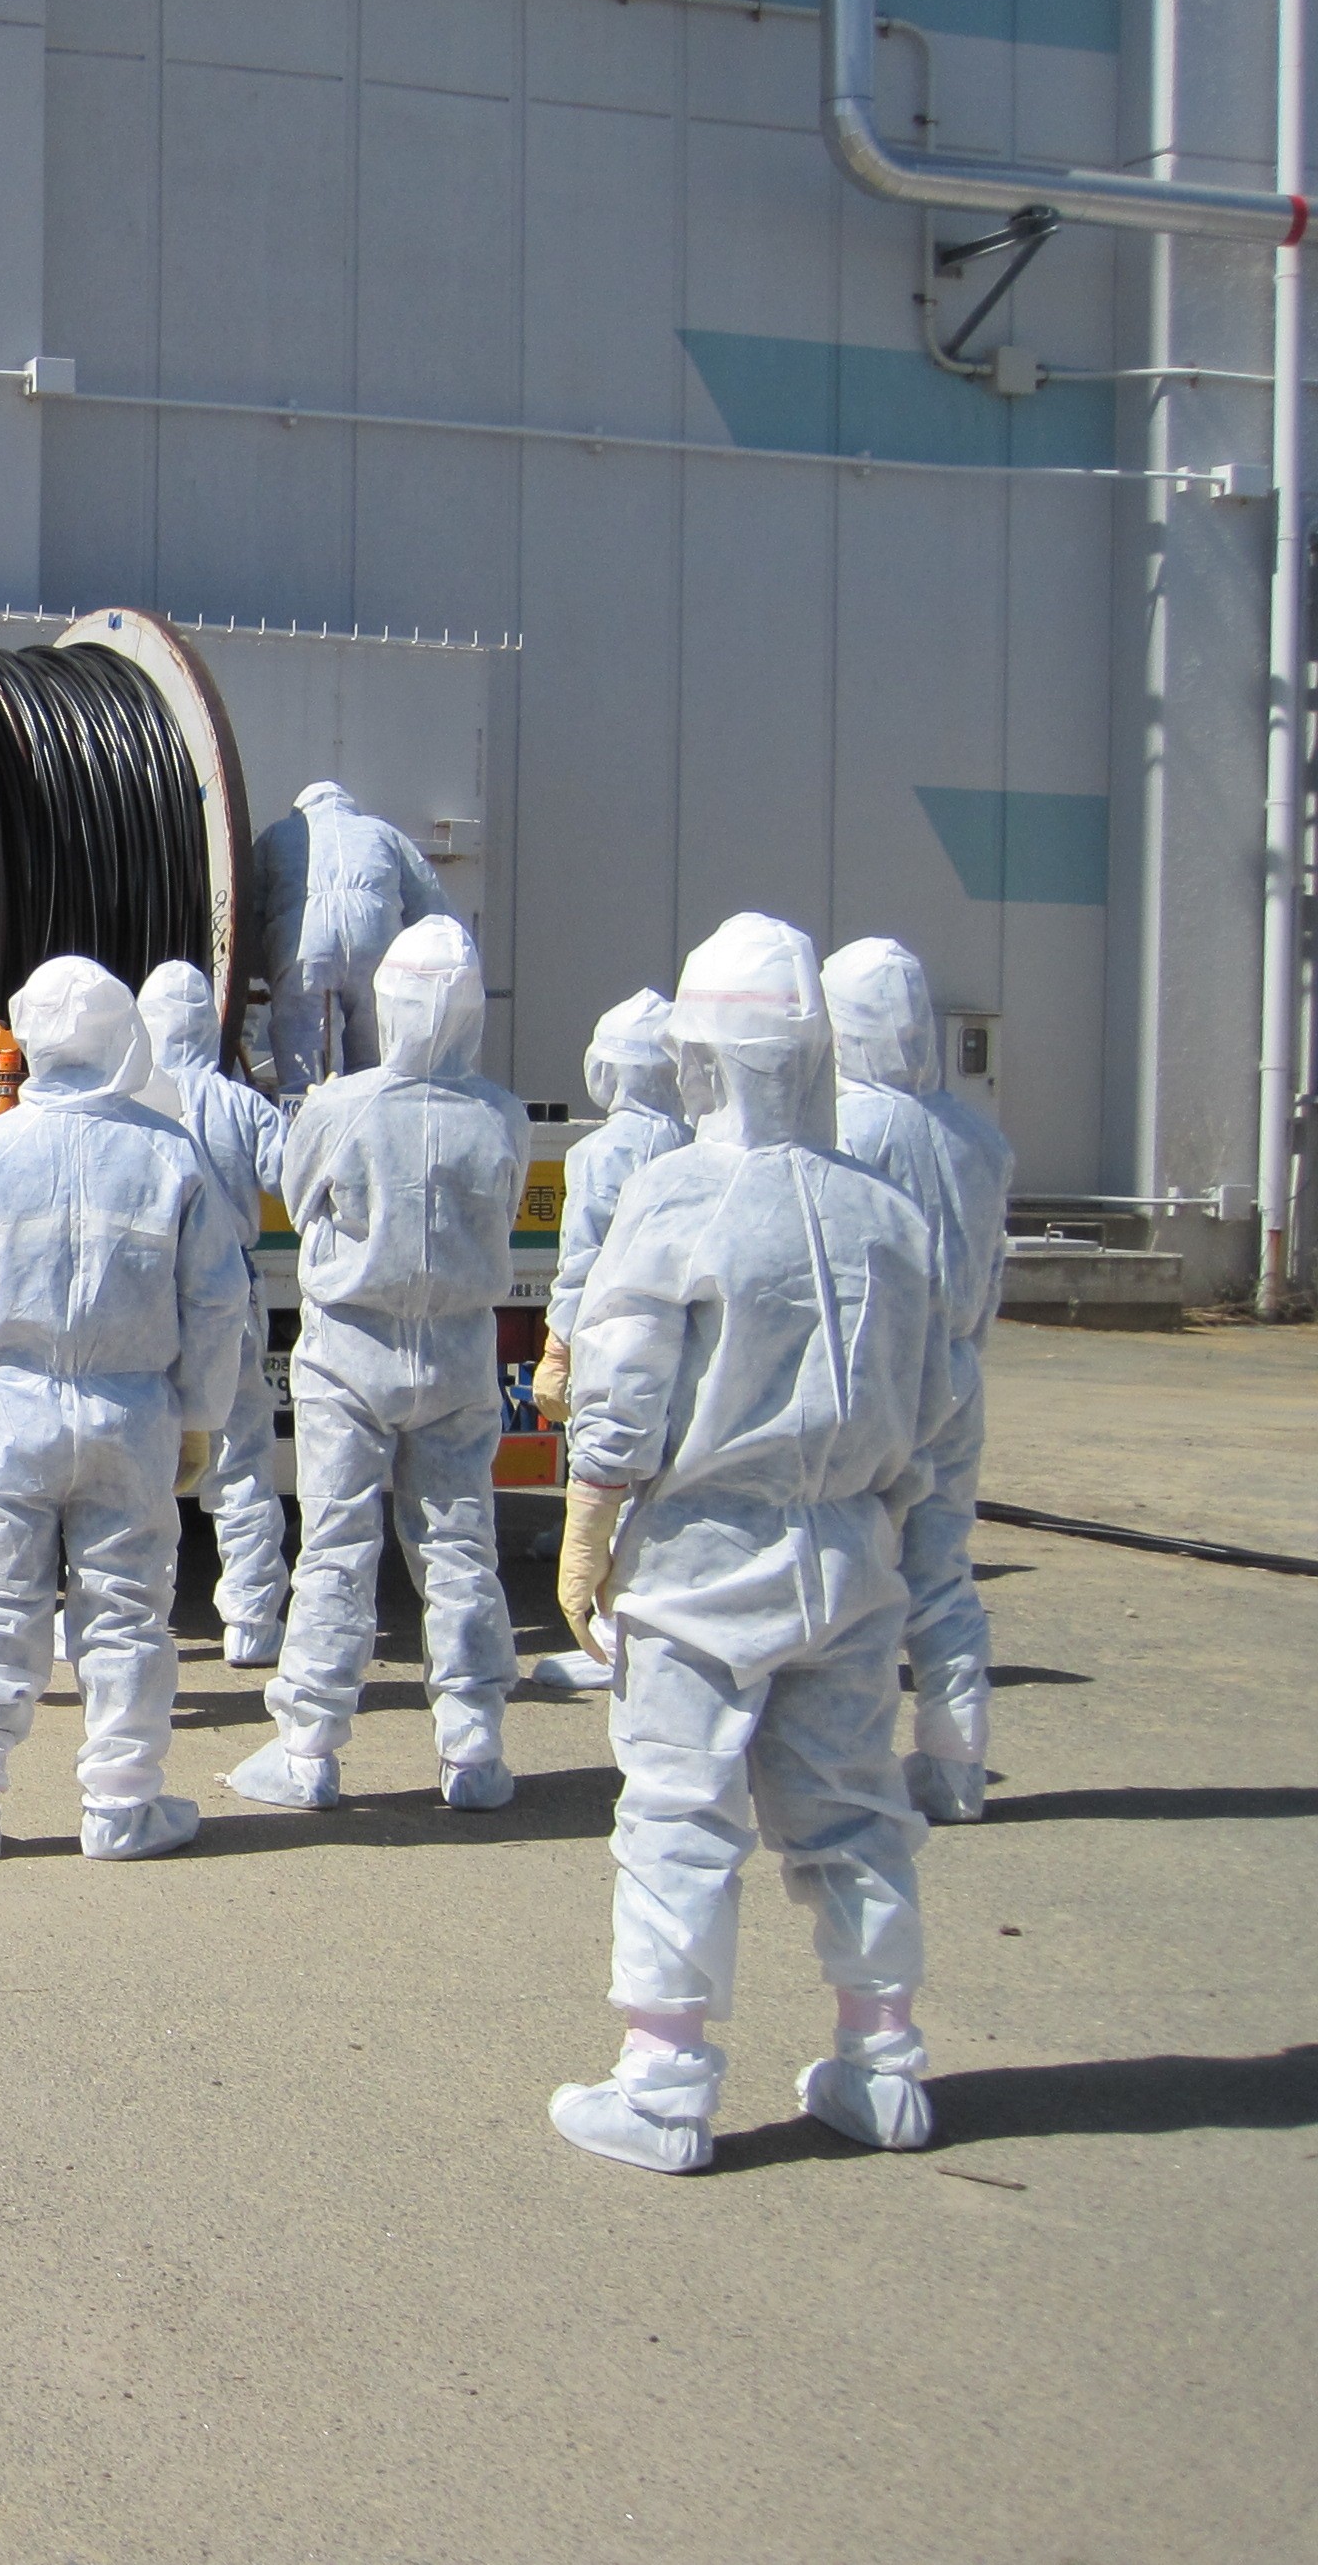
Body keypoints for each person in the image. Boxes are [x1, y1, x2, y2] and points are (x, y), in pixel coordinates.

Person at [548, 913, 952, 2173]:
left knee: (678, 1814)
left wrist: (589, 1529)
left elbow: (621, 1394)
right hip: (849, 1560)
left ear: (699, 1054)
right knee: (852, 1816)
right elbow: (929, 1404)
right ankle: (884, 2066)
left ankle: (666, 2084)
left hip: (700, 1565)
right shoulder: (886, 1215)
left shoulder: (677, 1195)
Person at [0, 959, 250, 1860]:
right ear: (123, 1038)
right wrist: (200, 1417)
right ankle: (122, 1805)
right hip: (132, 1415)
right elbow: (217, 1303)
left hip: (13, 1416)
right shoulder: (170, 1150)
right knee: (128, 1610)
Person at [223, 916, 527, 1812]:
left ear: (386, 1007)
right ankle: (473, 1748)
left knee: (337, 1546)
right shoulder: (500, 1116)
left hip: (349, 1357)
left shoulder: (339, 1106)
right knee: (462, 1546)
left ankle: (310, 1746)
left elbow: (294, 1189)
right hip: (461, 1356)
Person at [825, 938, 1016, 1825]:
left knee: (855, 1566)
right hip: (961, 1369)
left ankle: (843, 1763)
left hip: (876, 1375)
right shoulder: (978, 1133)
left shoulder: (845, 1128)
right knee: (942, 1568)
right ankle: (955, 1768)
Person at [528, 988, 689, 1690]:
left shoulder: (600, 1154)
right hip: (685, 1342)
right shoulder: (695, 1145)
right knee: (664, 1479)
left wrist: (558, 1345)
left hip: (611, 1340)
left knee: (609, 1470)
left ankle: (613, 1637)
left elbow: (581, 1261)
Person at [138, 959, 287, 1669]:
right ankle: (252, 1620)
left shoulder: (132, 1102)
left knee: (141, 1461)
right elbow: (297, 1174)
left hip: (145, 1299)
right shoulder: (242, 1105)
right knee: (242, 1457)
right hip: (231, 1298)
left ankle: (134, 1612)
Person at [249, 780, 446, 1091]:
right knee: (377, 1063)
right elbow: (429, 906)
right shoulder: (383, 833)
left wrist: (265, 969)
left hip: (307, 950)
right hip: (377, 945)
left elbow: (248, 911)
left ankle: (306, 1125)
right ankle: (371, 1125)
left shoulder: (277, 835)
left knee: (307, 1073)